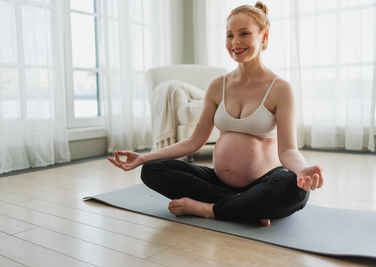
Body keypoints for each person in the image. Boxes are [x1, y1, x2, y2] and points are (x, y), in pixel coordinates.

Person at [108, 2, 323, 226]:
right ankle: (245, 206)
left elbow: (288, 150)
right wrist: (144, 157)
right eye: (229, 35)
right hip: (217, 182)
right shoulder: (217, 86)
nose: (235, 42)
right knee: (152, 170)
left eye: (244, 34)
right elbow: (194, 142)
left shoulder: (280, 89)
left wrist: (301, 170)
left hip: (264, 181)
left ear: (264, 35)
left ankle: (208, 209)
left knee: (295, 189)